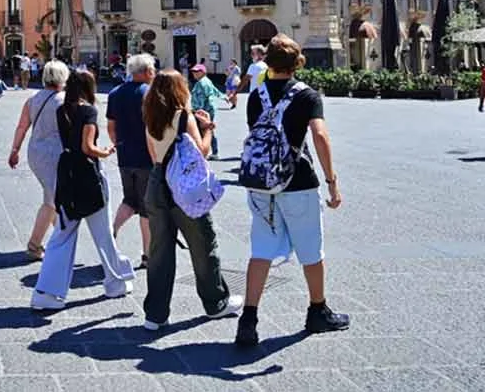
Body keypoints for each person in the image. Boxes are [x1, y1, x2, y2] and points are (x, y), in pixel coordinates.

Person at [236, 33, 348, 347]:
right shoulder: (307, 95)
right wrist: (332, 181)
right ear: (297, 63)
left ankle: (249, 319)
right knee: (311, 249)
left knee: (261, 250)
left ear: (266, 62)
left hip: (261, 183)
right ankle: (317, 311)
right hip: (298, 181)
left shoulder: (257, 96)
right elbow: (320, 135)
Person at [142, 70, 241, 331]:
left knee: (159, 253)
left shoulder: (150, 117)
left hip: (156, 184)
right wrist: (207, 129)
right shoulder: (183, 117)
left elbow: (154, 155)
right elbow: (202, 153)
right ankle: (215, 303)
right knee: (203, 244)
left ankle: (155, 314)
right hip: (183, 188)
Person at [29, 70, 136, 311]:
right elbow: (87, 147)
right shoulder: (88, 110)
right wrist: (105, 151)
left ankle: (46, 292)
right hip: (88, 176)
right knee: (103, 233)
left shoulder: (62, 109)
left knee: (63, 234)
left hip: (67, 174)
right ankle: (115, 282)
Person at [8, 60, 67, 260]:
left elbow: (22, 127)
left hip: (36, 154)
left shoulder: (32, 99)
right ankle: (35, 245)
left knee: (53, 196)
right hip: (56, 154)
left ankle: (61, 238)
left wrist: (15, 150)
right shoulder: (64, 100)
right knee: (51, 200)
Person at [106, 54, 155, 269]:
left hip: (125, 155)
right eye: (152, 69)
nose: (154, 73)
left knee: (129, 199)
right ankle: (147, 255)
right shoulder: (150, 94)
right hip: (147, 157)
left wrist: (118, 144)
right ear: (145, 72)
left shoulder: (115, 93)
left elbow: (110, 126)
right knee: (146, 208)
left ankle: (111, 232)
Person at [188, 63, 225, 158]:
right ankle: (213, 151)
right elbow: (215, 90)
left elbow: (207, 96)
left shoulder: (202, 83)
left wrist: (199, 111)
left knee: (204, 129)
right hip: (206, 109)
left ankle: (206, 151)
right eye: (193, 71)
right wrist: (224, 97)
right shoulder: (205, 81)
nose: (194, 73)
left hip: (203, 110)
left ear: (203, 72)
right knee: (207, 129)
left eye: (197, 71)